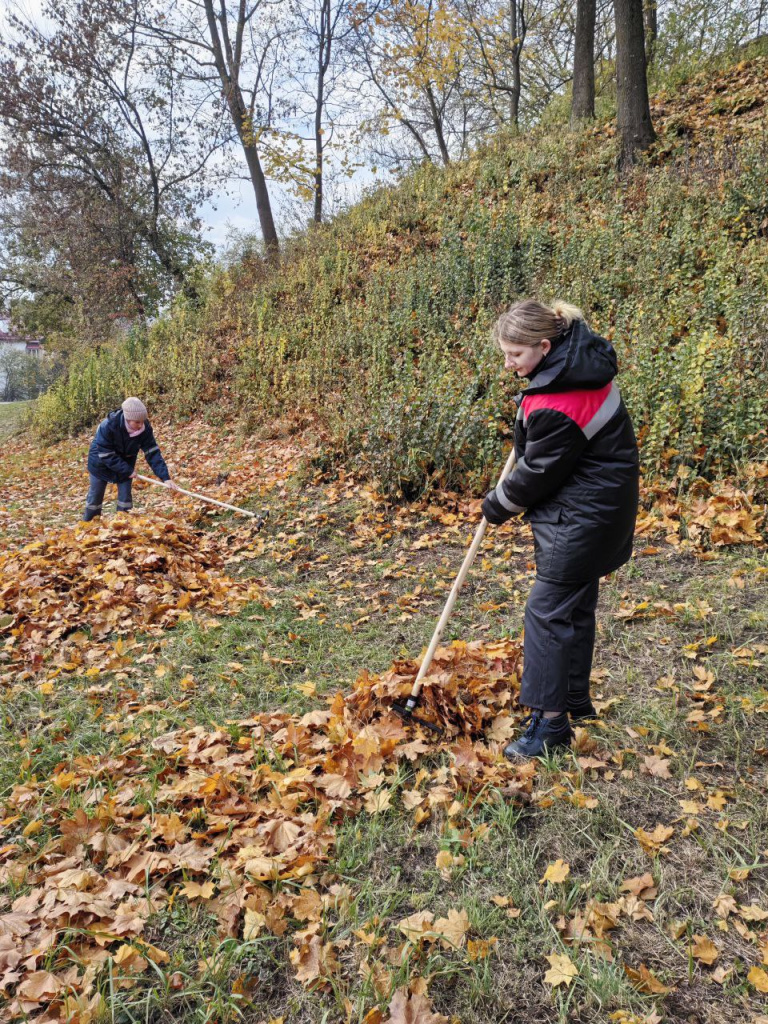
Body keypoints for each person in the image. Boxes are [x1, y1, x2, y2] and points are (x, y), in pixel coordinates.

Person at [481, 299, 639, 760]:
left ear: (544, 347)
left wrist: (496, 505)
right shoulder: (578, 368)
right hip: (602, 509)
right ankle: (573, 699)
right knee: (574, 605)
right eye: (506, 354)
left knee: (547, 613)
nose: (509, 365)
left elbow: (537, 473)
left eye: (515, 355)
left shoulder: (559, 399)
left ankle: (550, 725)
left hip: (583, 517)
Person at [83, 397, 177, 522]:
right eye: (137, 422)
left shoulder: (145, 429)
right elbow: (106, 454)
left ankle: (124, 525)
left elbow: (152, 453)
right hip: (100, 463)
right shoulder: (108, 426)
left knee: (125, 499)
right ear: (127, 419)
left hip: (126, 463)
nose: (141, 425)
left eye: (142, 421)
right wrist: (127, 470)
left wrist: (165, 477)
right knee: (95, 497)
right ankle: (89, 525)